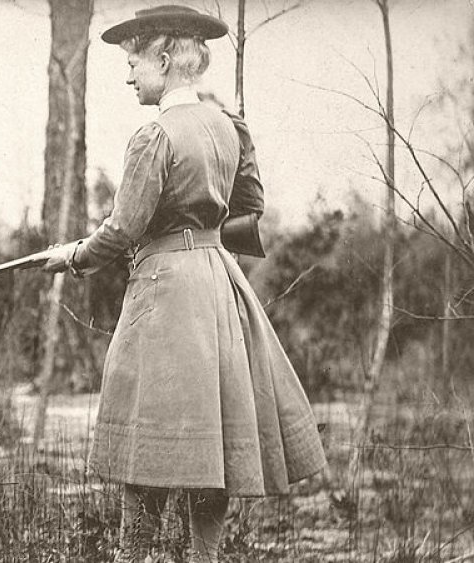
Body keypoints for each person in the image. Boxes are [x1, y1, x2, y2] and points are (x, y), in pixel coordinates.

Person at [39, 5, 327, 562]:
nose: (127, 75)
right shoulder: (229, 127)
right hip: (221, 289)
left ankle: (130, 557)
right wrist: (206, 237)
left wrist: (71, 256)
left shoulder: (153, 136)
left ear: (164, 60)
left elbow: (122, 230)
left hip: (165, 296)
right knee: (210, 445)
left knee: (150, 443)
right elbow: (251, 209)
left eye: (133, 62)